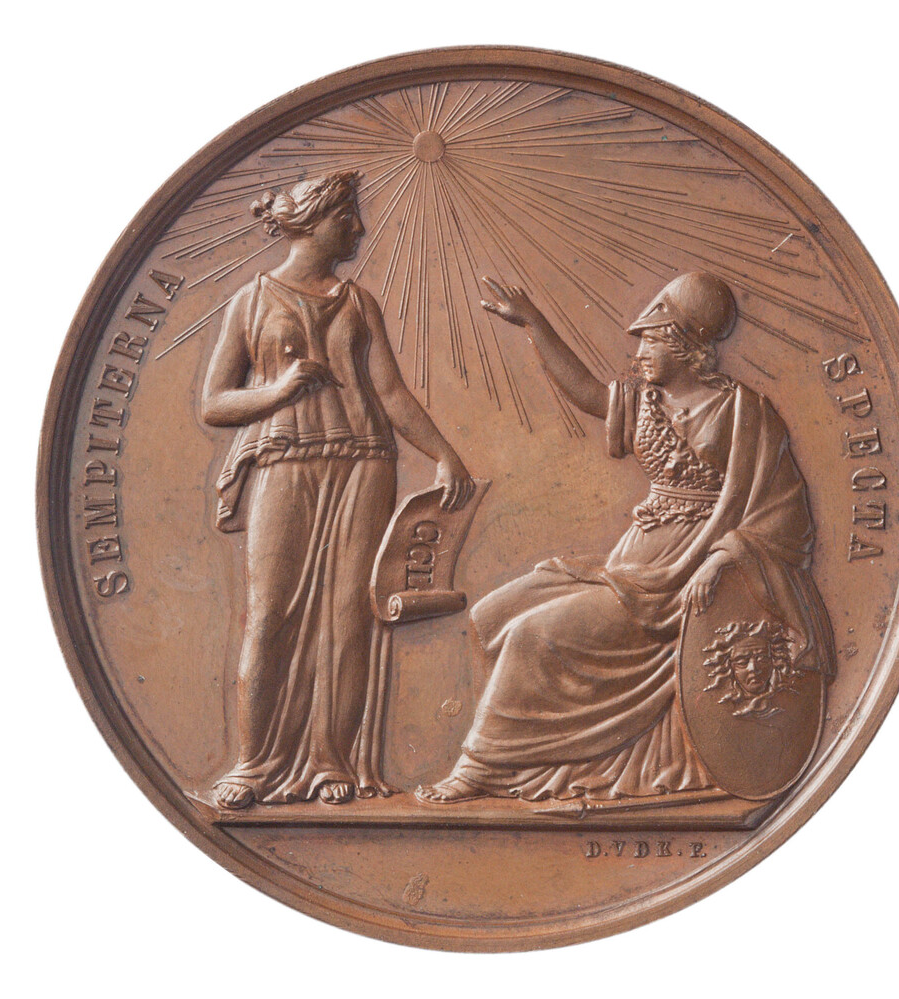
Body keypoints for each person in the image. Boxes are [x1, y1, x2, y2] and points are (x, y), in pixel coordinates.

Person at [417, 271, 834, 804]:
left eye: (651, 342)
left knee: (531, 635)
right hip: (633, 563)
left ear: (685, 345)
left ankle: (479, 767)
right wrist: (534, 324)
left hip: (684, 572)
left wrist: (720, 559)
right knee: (499, 611)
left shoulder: (743, 411)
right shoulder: (644, 401)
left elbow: (785, 513)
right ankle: (538, 753)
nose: (639, 355)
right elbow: (586, 391)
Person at [202, 171, 474, 809]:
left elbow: (391, 393)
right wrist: (277, 391)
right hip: (285, 461)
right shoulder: (251, 301)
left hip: (364, 463)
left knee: (350, 618)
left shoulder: (358, 302)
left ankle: (330, 760)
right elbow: (214, 403)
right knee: (269, 614)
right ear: (311, 222)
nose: (358, 228)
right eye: (346, 217)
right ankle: (252, 764)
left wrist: (444, 455)